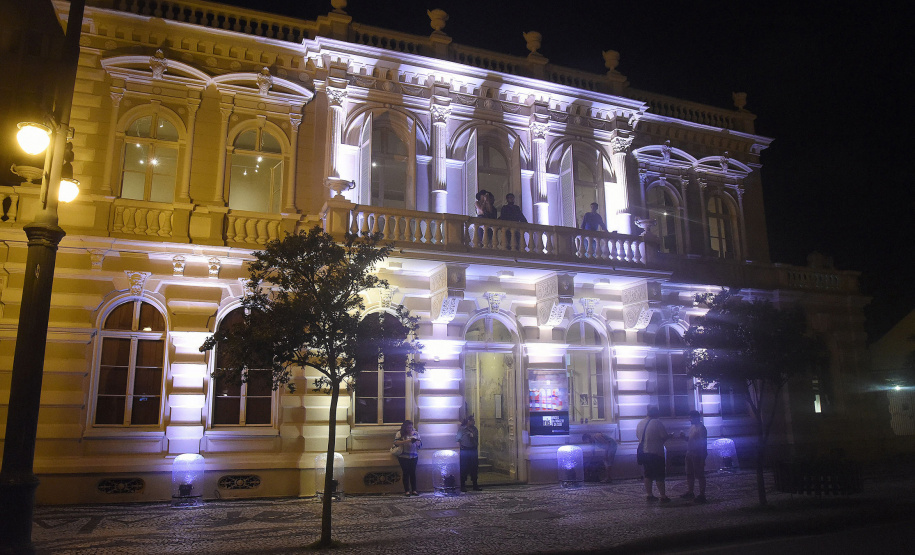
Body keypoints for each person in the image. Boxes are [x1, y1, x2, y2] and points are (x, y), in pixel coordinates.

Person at [636, 405, 671, 503]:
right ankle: (663, 496)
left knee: (647, 474)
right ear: (656, 413)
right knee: (659, 475)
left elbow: (638, 436)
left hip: (644, 453)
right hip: (656, 452)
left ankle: (649, 494)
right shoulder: (657, 422)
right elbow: (663, 436)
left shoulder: (640, 423)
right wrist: (669, 436)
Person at [680, 410, 708, 503]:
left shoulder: (701, 428)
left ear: (696, 418)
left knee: (699, 474)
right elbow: (691, 440)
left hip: (697, 453)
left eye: (690, 417)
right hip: (689, 452)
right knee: (689, 473)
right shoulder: (692, 427)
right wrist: (684, 438)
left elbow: (703, 443)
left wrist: (703, 457)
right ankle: (690, 491)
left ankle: (702, 494)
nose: (689, 419)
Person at [394, 420, 422, 496]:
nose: (409, 429)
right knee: (406, 473)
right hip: (403, 456)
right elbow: (396, 442)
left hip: (414, 456)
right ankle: (407, 490)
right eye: (408, 427)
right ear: (405, 427)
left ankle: (414, 490)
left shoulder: (416, 433)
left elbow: (420, 443)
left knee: (413, 473)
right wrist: (407, 441)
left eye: (410, 427)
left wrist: (416, 442)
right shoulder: (400, 433)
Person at [456, 415, 482, 492]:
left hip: (473, 450)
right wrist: (459, 449)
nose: (474, 422)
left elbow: (477, 438)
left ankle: (475, 484)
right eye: (472, 420)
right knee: (464, 468)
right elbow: (458, 439)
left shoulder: (475, 429)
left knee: (474, 468)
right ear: (468, 421)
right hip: (465, 450)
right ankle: (463, 485)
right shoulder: (462, 429)